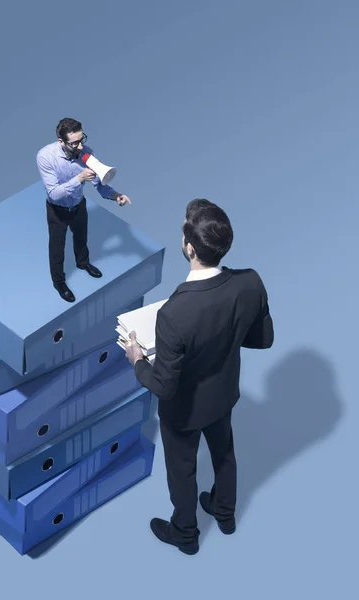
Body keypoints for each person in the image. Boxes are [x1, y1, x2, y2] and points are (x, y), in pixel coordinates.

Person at [124, 198, 274, 555]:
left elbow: (163, 384)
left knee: (183, 472)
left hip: (184, 411)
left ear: (189, 248)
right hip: (223, 395)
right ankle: (225, 513)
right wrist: (226, 339)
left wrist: (137, 360)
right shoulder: (250, 282)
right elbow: (263, 338)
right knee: (224, 454)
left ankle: (185, 535)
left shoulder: (174, 314)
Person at [36, 118, 131, 303]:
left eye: (82, 140)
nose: (80, 147)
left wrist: (116, 195)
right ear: (60, 141)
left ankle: (83, 263)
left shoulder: (87, 153)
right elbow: (54, 193)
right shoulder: (45, 157)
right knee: (57, 248)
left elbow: (101, 186)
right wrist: (79, 178)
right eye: (74, 143)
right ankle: (59, 282)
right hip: (57, 210)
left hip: (78, 205)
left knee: (81, 237)